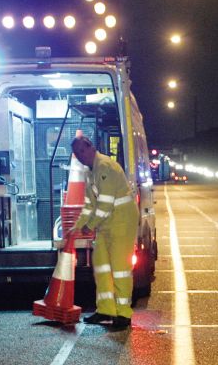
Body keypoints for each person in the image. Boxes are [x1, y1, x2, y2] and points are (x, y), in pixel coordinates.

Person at [70, 136, 140, 328]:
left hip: (121, 221)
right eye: (76, 154)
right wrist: (76, 228)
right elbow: (88, 205)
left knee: (120, 270)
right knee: (100, 266)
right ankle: (105, 310)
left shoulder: (105, 167)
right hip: (106, 224)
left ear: (91, 147)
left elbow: (105, 204)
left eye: (82, 151)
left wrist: (89, 226)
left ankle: (123, 314)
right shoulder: (90, 172)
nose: (80, 156)